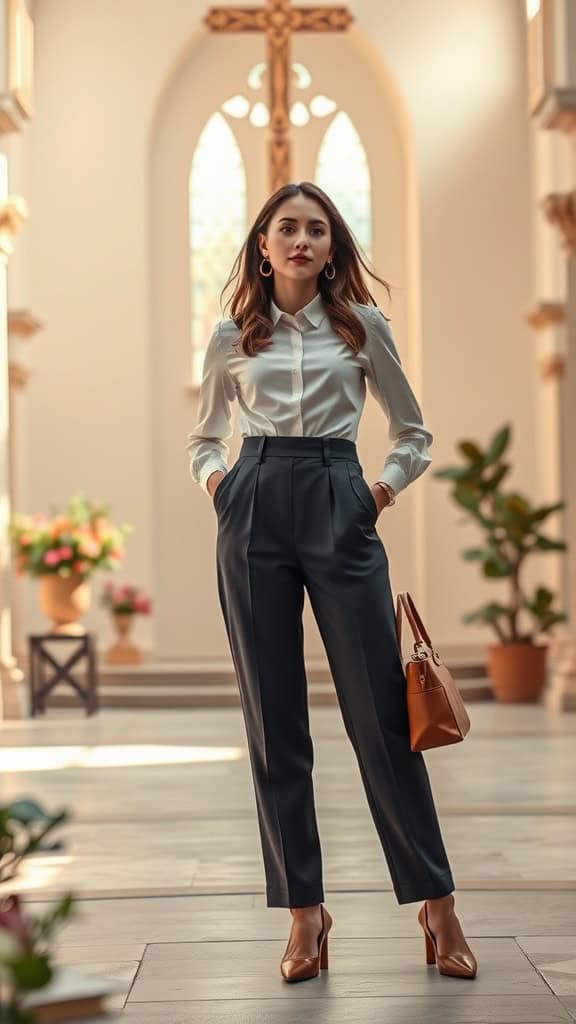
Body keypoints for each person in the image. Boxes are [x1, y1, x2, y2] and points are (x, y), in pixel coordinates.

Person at [185, 181, 477, 983]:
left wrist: (375, 493)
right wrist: (223, 486)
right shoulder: (231, 337)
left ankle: (436, 901)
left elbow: (412, 431)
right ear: (264, 245)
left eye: (318, 229)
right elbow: (204, 438)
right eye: (289, 228)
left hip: (339, 498)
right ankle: (305, 916)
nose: (303, 240)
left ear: (332, 247)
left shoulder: (361, 328)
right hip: (253, 506)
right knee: (274, 723)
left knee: (383, 717)